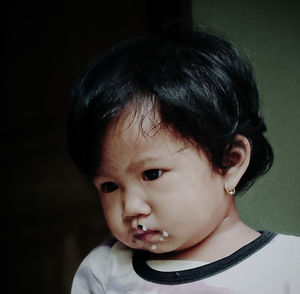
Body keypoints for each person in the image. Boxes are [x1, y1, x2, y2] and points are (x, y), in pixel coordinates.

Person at [68, 31, 300, 293]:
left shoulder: (288, 268)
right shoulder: (104, 271)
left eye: (152, 174)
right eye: (109, 186)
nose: (131, 208)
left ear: (230, 162)